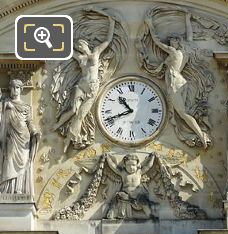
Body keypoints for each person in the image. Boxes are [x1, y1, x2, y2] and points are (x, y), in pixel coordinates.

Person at [54, 7, 115, 152]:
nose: (79, 46)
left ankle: (69, 139)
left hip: (93, 87)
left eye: (80, 44)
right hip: (81, 85)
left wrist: (110, 21)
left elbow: (108, 39)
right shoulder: (80, 57)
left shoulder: (96, 53)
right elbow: (66, 48)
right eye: (77, 46)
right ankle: (56, 126)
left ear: (86, 44)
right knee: (74, 110)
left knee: (81, 114)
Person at [145, 14, 209, 148]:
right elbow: (190, 37)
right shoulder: (185, 51)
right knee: (181, 112)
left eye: (172, 40)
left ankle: (201, 135)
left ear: (177, 42)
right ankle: (199, 133)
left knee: (182, 113)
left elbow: (156, 41)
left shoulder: (173, 52)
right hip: (181, 81)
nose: (170, 43)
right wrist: (187, 19)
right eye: (170, 41)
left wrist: (150, 24)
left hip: (175, 81)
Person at [0, 79, 40, 195]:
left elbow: (29, 122)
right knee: (9, 159)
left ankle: (19, 188)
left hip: (23, 137)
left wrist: (35, 132)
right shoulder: (4, 102)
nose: (14, 90)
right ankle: (6, 188)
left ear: (21, 89)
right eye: (12, 87)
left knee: (23, 163)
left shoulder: (26, 107)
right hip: (10, 137)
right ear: (10, 89)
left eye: (17, 87)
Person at [105, 153, 156, 220]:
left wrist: (153, 157)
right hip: (126, 194)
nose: (131, 167)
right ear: (125, 165)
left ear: (137, 165)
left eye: (133, 165)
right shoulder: (123, 173)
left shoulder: (139, 172)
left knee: (144, 201)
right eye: (128, 165)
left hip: (137, 195)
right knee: (116, 197)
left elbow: (148, 166)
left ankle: (150, 215)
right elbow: (113, 166)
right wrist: (107, 158)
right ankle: (111, 213)